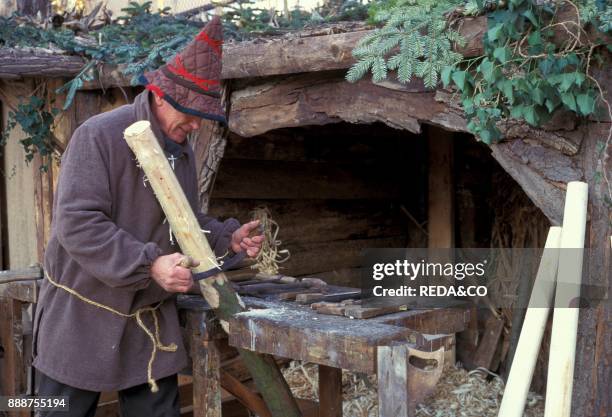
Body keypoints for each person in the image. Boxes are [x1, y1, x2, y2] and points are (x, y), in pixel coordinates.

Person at [32, 16, 262, 417]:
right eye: (189, 113)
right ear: (159, 96)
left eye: (201, 117)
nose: (194, 125)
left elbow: (182, 222)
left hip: (148, 329)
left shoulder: (180, 149)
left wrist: (228, 240)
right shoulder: (99, 136)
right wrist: (148, 264)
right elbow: (78, 223)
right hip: (83, 319)